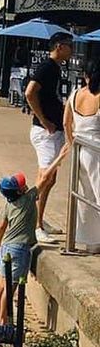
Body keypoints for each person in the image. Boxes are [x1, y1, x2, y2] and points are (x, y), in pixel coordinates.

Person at [24, 33, 74, 242]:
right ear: (60, 47)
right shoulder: (47, 67)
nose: (72, 50)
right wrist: (43, 119)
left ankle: (39, 220)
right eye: (70, 46)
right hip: (46, 131)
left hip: (51, 129)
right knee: (45, 177)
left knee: (50, 178)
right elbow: (30, 92)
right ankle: (34, 225)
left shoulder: (54, 68)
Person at [62, 57, 100, 250]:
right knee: (97, 193)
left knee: (86, 196)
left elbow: (66, 123)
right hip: (96, 149)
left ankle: (91, 241)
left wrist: (71, 143)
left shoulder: (75, 93)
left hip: (79, 146)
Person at [0, 174, 38, 324]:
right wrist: (60, 158)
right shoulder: (28, 199)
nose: (25, 185)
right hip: (19, 248)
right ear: (19, 191)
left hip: (6, 246)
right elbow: (44, 179)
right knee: (10, 287)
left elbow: (1, 227)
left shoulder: (9, 205)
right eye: (21, 185)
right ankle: (3, 319)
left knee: (2, 283)